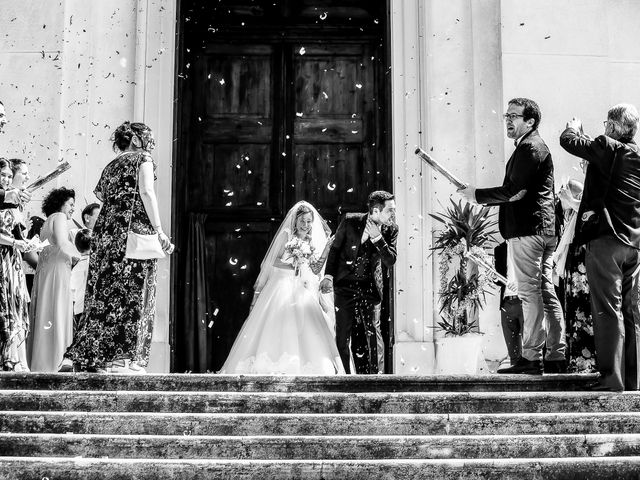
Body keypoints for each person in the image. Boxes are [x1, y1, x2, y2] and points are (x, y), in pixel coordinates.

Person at [459, 97, 566, 375]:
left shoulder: (531, 147)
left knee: (530, 293)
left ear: (530, 122)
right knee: (544, 290)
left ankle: (531, 359)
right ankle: (556, 355)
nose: (508, 120)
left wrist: (477, 196)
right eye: (506, 115)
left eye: (514, 116)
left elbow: (515, 192)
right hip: (542, 230)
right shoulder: (531, 147)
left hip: (529, 231)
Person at [63, 121, 173, 373]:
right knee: (135, 290)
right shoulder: (142, 158)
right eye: (149, 137)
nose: (152, 143)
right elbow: (146, 191)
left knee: (103, 292)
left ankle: (91, 355)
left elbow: (102, 197)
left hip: (106, 232)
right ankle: (124, 359)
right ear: (136, 139)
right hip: (132, 232)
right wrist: (159, 230)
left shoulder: (111, 165)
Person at [559, 104, 640, 391]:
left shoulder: (608, 145)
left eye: (606, 123)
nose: (603, 128)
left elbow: (569, 142)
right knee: (630, 312)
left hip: (606, 239)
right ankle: (632, 379)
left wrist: (573, 126)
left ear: (615, 128)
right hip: (634, 243)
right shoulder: (636, 155)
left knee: (607, 309)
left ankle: (611, 378)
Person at [220, 201, 343, 374]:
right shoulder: (286, 235)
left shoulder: (309, 240)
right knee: (277, 322)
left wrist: (326, 250)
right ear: (295, 220)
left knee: (306, 323)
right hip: (281, 285)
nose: (306, 225)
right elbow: (273, 261)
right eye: (303, 221)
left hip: (301, 288)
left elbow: (315, 269)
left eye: (309, 222)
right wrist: (294, 261)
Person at [320, 191, 398, 374]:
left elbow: (391, 260)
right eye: (390, 210)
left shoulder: (391, 229)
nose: (393, 214)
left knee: (373, 332)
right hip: (345, 285)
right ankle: (345, 377)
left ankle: (375, 377)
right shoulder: (350, 221)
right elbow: (335, 250)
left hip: (370, 287)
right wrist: (329, 276)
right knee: (342, 335)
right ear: (376, 211)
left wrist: (378, 238)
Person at [28, 187, 78, 372]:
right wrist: (81, 253)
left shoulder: (47, 221)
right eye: (71, 204)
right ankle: (56, 360)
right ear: (60, 203)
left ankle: (43, 361)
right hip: (57, 272)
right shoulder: (59, 217)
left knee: (46, 312)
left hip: (47, 272)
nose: (73, 208)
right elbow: (63, 243)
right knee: (56, 312)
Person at [552, 179, 595, 373]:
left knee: (582, 313)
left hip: (581, 270)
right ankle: (576, 360)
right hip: (574, 270)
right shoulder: (569, 217)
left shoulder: (580, 213)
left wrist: (571, 199)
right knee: (574, 312)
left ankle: (583, 362)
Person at [0, 159, 31, 371]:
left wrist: (26, 242)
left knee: (15, 304)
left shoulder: (12, 201)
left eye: (9, 176)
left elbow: (17, 232)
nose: (7, 180)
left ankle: (14, 357)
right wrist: (14, 242)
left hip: (12, 261)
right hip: (2, 259)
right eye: (3, 175)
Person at [494, 241, 524, 369]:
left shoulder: (526, 245)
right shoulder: (500, 249)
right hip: (506, 302)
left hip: (524, 301)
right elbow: (499, 279)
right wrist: (494, 278)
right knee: (513, 352)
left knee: (529, 349)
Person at [70, 228, 91, 328]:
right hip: (90, 308)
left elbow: (72, 290)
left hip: (79, 309)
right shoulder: (93, 265)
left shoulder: (76, 268)